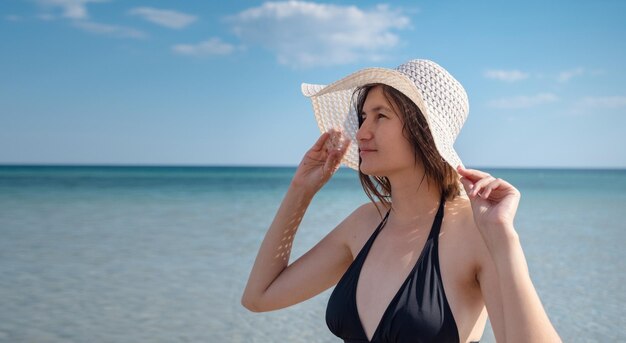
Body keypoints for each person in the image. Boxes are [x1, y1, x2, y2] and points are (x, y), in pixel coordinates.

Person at [241, 59, 561, 343]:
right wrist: (301, 191)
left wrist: (504, 238)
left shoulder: (475, 234)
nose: (362, 132)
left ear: (425, 130)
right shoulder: (365, 224)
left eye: (381, 116)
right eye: (364, 116)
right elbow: (259, 297)